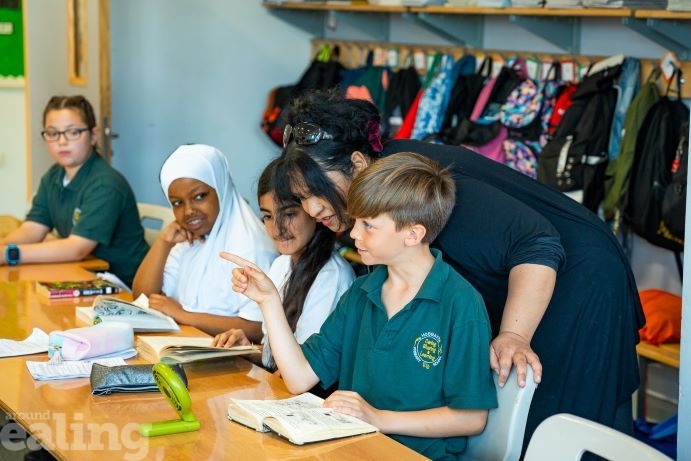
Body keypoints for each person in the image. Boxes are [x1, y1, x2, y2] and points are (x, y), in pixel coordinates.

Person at [276, 89, 645, 451]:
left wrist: (514, 335)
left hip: (579, 275)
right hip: (538, 272)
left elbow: (537, 244)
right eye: (301, 198)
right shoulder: (383, 201)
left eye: (316, 191)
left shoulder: (417, 185)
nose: (311, 209)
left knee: (552, 426)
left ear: (357, 163)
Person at [221, 152, 497, 460]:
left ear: (413, 234)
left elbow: (471, 418)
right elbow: (299, 378)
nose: (353, 233)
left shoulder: (460, 304)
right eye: (356, 221)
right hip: (351, 450)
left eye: (368, 225)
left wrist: (379, 418)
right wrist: (269, 300)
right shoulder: (361, 292)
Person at [212, 157, 356, 371]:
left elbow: (302, 369)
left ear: (312, 211)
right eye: (268, 216)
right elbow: (279, 359)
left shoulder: (331, 276)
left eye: (289, 214)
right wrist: (248, 349)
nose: (277, 229)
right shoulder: (281, 264)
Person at [131, 144, 277, 339]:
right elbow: (144, 298)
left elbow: (258, 327)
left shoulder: (252, 247)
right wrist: (163, 242)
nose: (189, 211)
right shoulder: (189, 239)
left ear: (221, 189)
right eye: (177, 203)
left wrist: (183, 315)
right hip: (186, 342)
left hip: (236, 359)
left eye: (200, 196)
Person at [0, 95, 148, 287]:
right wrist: (3, 246)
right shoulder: (54, 176)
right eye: (52, 133)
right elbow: (32, 229)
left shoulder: (105, 184)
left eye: (73, 132)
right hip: (83, 278)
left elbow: (76, 249)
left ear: (93, 136)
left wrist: (9, 254)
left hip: (124, 286)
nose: (62, 141)